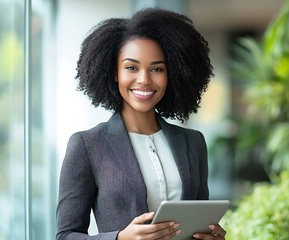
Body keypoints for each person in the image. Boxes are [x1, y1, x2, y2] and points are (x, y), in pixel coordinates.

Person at [56, 7, 227, 240]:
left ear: (173, 74)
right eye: (131, 67)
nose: (144, 79)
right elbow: (66, 235)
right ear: (115, 72)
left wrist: (212, 237)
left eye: (157, 69)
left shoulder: (193, 142)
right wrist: (119, 238)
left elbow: (199, 221)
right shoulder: (87, 145)